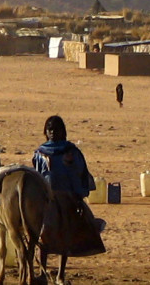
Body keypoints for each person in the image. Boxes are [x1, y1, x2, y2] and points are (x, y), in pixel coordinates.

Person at [32, 115, 105, 279]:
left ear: (62, 131)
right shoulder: (40, 153)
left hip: (68, 198)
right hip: (47, 199)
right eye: (49, 130)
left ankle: (60, 274)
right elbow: (37, 175)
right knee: (44, 234)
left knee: (66, 234)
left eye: (55, 130)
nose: (52, 133)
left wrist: (79, 197)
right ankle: (42, 273)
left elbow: (78, 174)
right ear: (45, 132)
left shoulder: (71, 152)